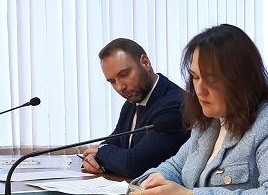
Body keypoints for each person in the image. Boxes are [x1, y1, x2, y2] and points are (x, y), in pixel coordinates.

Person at [128, 24, 268, 195]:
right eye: (195, 77)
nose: (199, 90)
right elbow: (176, 167)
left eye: (210, 79)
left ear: (240, 79)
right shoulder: (208, 123)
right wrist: (157, 180)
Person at [81, 38, 190, 178]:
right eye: (112, 81)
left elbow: (135, 165)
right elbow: (114, 141)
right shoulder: (131, 102)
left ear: (145, 62)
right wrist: (92, 157)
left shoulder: (175, 104)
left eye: (124, 74)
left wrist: (100, 152)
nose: (120, 87)